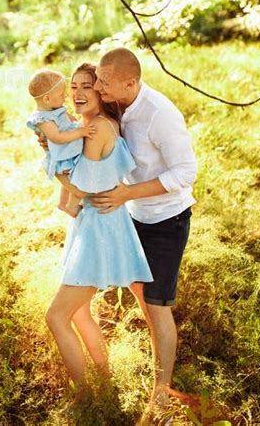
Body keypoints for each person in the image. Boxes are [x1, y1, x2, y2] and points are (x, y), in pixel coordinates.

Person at [90, 47, 197, 422]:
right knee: (139, 290)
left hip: (167, 220)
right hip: (134, 215)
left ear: (130, 82)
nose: (98, 86)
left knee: (156, 304)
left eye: (105, 81)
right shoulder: (117, 103)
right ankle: (156, 336)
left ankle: (161, 394)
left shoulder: (160, 115)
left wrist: (126, 193)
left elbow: (186, 174)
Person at [44, 63, 153, 409]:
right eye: (73, 86)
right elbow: (79, 199)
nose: (76, 93)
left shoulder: (99, 127)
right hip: (94, 224)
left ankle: (85, 395)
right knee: (78, 313)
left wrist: (48, 157)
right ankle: (105, 384)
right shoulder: (88, 127)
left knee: (56, 317)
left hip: (100, 233)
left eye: (86, 87)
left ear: (100, 93)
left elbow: (83, 185)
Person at [27, 68, 96, 217]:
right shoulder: (42, 118)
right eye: (61, 94)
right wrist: (80, 132)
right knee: (78, 187)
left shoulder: (55, 109)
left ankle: (66, 204)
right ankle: (70, 206)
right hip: (60, 157)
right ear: (47, 99)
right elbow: (57, 137)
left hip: (67, 152)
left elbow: (69, 121)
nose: (65, 97)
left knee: (73, 181)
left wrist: (78, 125)